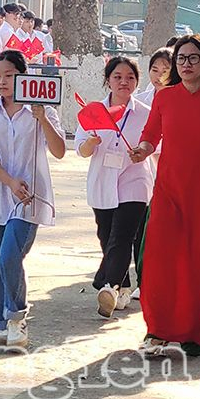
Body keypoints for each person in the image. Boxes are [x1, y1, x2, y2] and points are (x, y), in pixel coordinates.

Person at [129, 34, 200, 357]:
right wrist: (142, 149)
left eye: (193, 58)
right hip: (167, 192)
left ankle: (194, 331)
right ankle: (157, 331)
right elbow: (150, 135)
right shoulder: (164, 98)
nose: (186, 64)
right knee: (159, 260)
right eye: (181, 58)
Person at [0, 49, 66, 350]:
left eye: (10, 75)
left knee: (9, 256)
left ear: (24, 76)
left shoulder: (41, 109)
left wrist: (43, 117)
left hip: (31, 197)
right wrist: (8, 181)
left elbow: (59, 150)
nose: (3, 81)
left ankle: (17, 318)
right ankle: (2, 321)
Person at [75, 56, 154, 319]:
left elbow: (156, 145)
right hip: (102, 182)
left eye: (130, 77)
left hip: (134, 181)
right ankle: (122, 284)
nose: (124, 82)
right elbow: (81, 149)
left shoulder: (145, 112)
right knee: (106, 237)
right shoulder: (94, 112)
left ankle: (108, 287)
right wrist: (92, 143)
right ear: (108, 80)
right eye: (118, 77)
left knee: (122, 237)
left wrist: (142, 152)